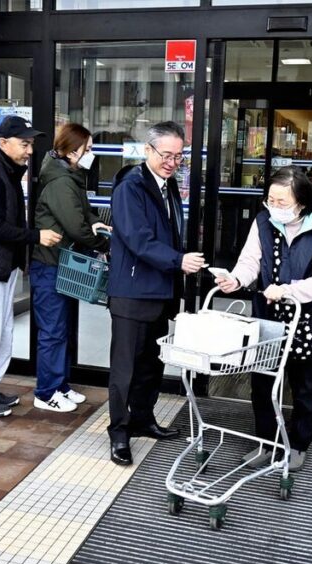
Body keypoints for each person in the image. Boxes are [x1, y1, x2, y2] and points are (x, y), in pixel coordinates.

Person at [215, 166, 312, 472]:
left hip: (308, 316)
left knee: (306, 385)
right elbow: (250, 261)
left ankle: (298, 443)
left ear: (302, 201)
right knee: (263, 382)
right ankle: (265, 442)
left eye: (282, 202)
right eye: (270, 200)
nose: (274, 207)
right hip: (268, 315)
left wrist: (286, 290)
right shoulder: (263, 222)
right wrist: (236, 280)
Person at [106, 121, 206, 466]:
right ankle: (118, 432)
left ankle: (143, 419)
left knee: (151, 363)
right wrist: (179, 261)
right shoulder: (130, 187)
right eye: (167, 155)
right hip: (132, 291)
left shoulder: (169, 186)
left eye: (179, 156)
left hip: (161, 290)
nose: (173, 162)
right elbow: (138, 239)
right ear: (147, 151)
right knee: (125, 369)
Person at [0, 115, 63, 417]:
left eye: (30, 144)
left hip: (0, 267)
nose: (29, 150)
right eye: (24, 144)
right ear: (3, 143)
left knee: (1, 332)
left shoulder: (8, 172)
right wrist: (36, 237)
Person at [29, 122, 111, 412]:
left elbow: (82, 212)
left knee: (61, 329)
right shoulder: (62, 181)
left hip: (59, 264)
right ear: (71, 150)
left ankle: (60, 385)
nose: (90, 153)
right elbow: (74, 225)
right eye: (87, 149)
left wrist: (94, 221)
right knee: (53, 331)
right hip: (49, 264)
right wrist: (102, 245)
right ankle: (46, 392)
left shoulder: (68, 175)